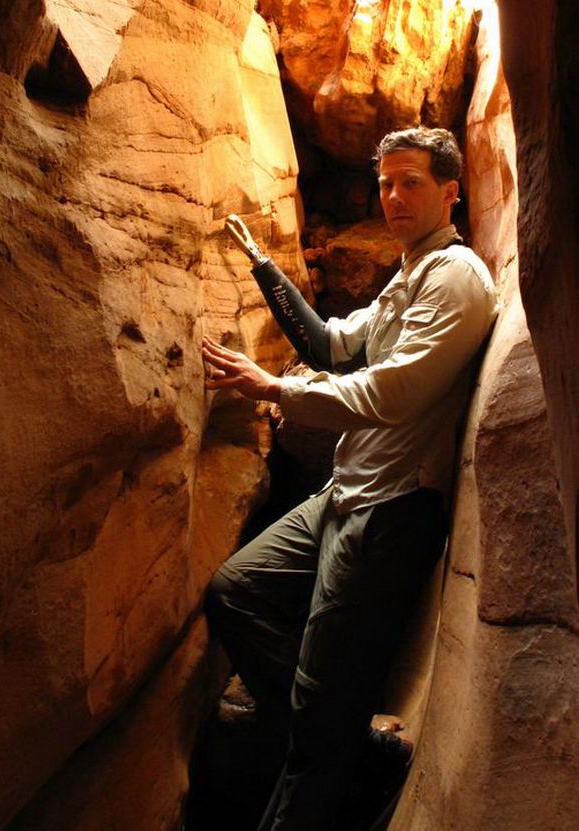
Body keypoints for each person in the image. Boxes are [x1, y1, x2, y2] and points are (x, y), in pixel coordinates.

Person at [202, 127, 497, 831]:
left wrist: (275, 388)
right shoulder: (410, 273)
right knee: (236, 590)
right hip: (346, 491)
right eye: (385, 182)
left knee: (315, 723)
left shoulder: (456, 277)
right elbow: (332, 345)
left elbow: (389, 393)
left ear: (450, 192)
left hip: (390, 510)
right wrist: (264, 267)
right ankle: (348, 735)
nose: (392, 196)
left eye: (411, 182)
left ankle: (330, 743)